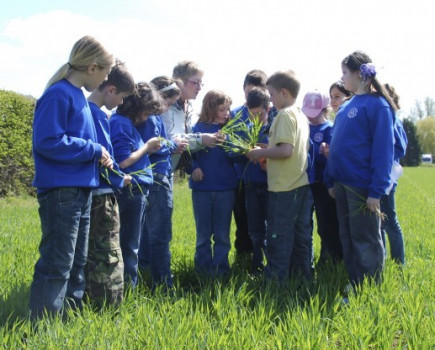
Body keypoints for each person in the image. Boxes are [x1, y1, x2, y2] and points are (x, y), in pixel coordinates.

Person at [29, 35, 114, 319]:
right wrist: (93, 148)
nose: (104, 80)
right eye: (105, 73)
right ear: (92, 67)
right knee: (57, 262)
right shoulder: (59, 94)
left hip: (81, 188)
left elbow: (74, 142)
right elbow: (48, 141)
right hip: (62, 190)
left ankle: (69, 321)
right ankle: (43, 326)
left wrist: (98, 153)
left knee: (77, 261)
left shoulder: (77, 95)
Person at [326, 51, 397, 291]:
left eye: (345, 73)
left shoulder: (378, 106)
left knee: (365, 238)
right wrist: (331, 179)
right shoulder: (347, 106)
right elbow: (337, 144)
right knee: (347, 236)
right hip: (342, 184)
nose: (342, 78)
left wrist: (376, 191)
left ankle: (370, 288)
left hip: (362, 185)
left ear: (359, 74)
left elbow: (383, 151)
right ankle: (355, 280)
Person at [247, 70, 313, 282]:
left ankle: (275, 284)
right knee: (299, 237)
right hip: (299, 184)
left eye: (272, 94)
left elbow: (285, 151)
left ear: (284, 92)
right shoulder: (300, 115)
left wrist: (261, 153)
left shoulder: (284, 115)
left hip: (284, 188)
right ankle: (301, 279)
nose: (271, 99)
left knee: (277, 237)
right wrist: (268, 149)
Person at [85, 60, 135, 307]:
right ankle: (108, 306)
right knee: (108, 253)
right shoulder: (98, 116)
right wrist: (121, 178)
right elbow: (106, 158)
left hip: (87, 192)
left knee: (89, 251)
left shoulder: (81, 111)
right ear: (111, 90)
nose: (122, 103)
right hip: (103, 194)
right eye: (122, 96)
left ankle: (85, 300)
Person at [109, 82, 162, 288]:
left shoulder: (126, 123)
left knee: (131, 244)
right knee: (129, 245)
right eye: (147, 111)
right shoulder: (121, 123)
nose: (147, 117)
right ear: (137, 106)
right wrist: (147, 147)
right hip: (131, 190)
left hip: (137, 189)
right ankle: (126, 290)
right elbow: (122, 162)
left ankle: (126, 287)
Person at [136, 76, 187, 288]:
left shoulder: (150, 117)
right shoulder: (151, 119)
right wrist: (171, 145)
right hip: (158, 176)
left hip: (156, 174)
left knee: (151, 231)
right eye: (167, 103)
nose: (168, 108)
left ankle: (147, 275)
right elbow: (156, 145)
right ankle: (163, 283)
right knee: (161, 233)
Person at [189, 90, 237, 276]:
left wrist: (228, 143)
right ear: (211, 108)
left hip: (225, 189)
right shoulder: (197, 129)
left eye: (228, 109)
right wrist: (193, 168)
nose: (227, 113)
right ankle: (202, 272)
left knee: (222, 235)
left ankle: (221, 272)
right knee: (203, 235)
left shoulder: (229, 131)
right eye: (222, 109)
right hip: (202, 189)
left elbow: (237, 156)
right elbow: (187, 153)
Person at [230, 70, 268, 265]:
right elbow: (229, 147)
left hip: (268, 179)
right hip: (242, 178)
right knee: (245, 222)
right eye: (249, 90)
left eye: (259, 90)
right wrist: (244, 151)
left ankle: (267, 261)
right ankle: (245, 259)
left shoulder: (273, 114)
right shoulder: (235, 114)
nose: (253, 94)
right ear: (243, 89)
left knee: (268, 224)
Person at [301, 90, 342, 265]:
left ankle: (330, 258)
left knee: (326, 225)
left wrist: (322, 153)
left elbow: (331, 157)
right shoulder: (302, 128)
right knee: (304, 225)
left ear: (325, 110)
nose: (311, 118)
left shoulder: (330, 129)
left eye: (315, 113)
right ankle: (305, 260)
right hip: (304, 183)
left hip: (323, 185)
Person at [161, 60, 222, 173]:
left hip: (168, 170)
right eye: (196, 82)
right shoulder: (165, 106)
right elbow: (170, 139)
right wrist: (201, 139)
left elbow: (186, 141)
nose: (199, 87)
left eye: (201, 83)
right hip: (158, 170)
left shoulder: (188, 106)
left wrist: (208, 140)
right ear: (180, 81)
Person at [242, 87, 270, 272]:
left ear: (268, 109)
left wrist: (265, 152)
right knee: (255, 229)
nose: (255, 119)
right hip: (251, 184)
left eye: (259, 114)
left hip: (270, 185)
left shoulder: (273, 129)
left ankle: (272, 264)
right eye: (251, 115)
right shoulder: (247, 129)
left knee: (271, 228)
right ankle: (257, 263)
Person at [380, 83, 407, 265]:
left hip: (387, 178)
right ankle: (380, 260)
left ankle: (399, 262)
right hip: (378, 176)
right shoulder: (383, 116)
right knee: (379, 224)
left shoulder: (393, 119)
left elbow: (400, 148)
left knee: (390, 222)